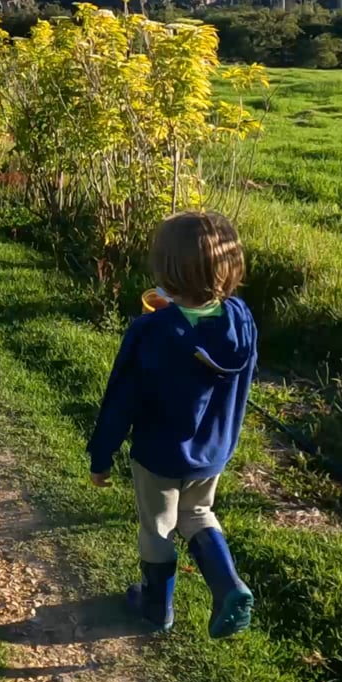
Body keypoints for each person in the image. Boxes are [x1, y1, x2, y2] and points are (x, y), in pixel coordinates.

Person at [86, 211, 257, 637]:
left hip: (159, 454)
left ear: (166, 273)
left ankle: (156, 608)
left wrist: (101, 455)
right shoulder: (242, 319)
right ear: (229, 269)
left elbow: (121, 399)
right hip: (213, 450)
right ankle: (229, 586)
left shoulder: (151, 331)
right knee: (198, 512)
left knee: (158, 526)